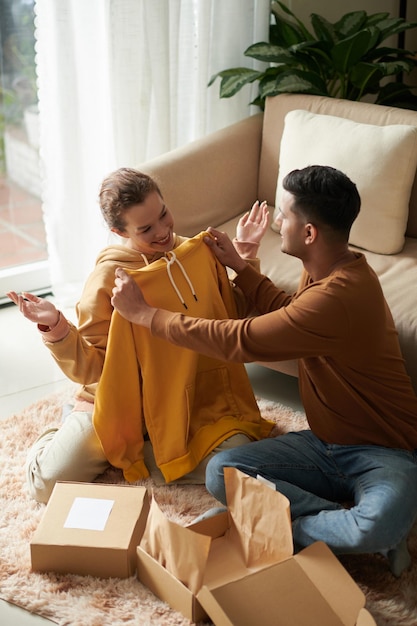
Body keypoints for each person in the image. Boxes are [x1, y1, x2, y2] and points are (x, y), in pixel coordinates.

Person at [110, 165, 417, 578]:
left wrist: (146, 315)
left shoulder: (341, 296)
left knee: (375, 525)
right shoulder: (327, 265)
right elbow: (291, 312)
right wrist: (241, 265)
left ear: (309, 233)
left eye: (284, 215)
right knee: (224, 472)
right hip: (325, 445)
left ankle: (295, 529)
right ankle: (337, 523)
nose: (275, 222)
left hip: (385, 450)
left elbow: (239, 340)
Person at [7, 167, 272, 503]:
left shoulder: (195, 254)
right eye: (146, 228)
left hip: (185, 398)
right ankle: (75, 431)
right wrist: (56, 327)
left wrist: (245, 251)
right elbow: (94, 369)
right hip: (123, 402)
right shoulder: (107, 280)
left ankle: (131, 456)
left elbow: (228, 319)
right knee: (46, 484)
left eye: (164, 215)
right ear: (119, 231)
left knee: (236, 461)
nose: (162, 231)